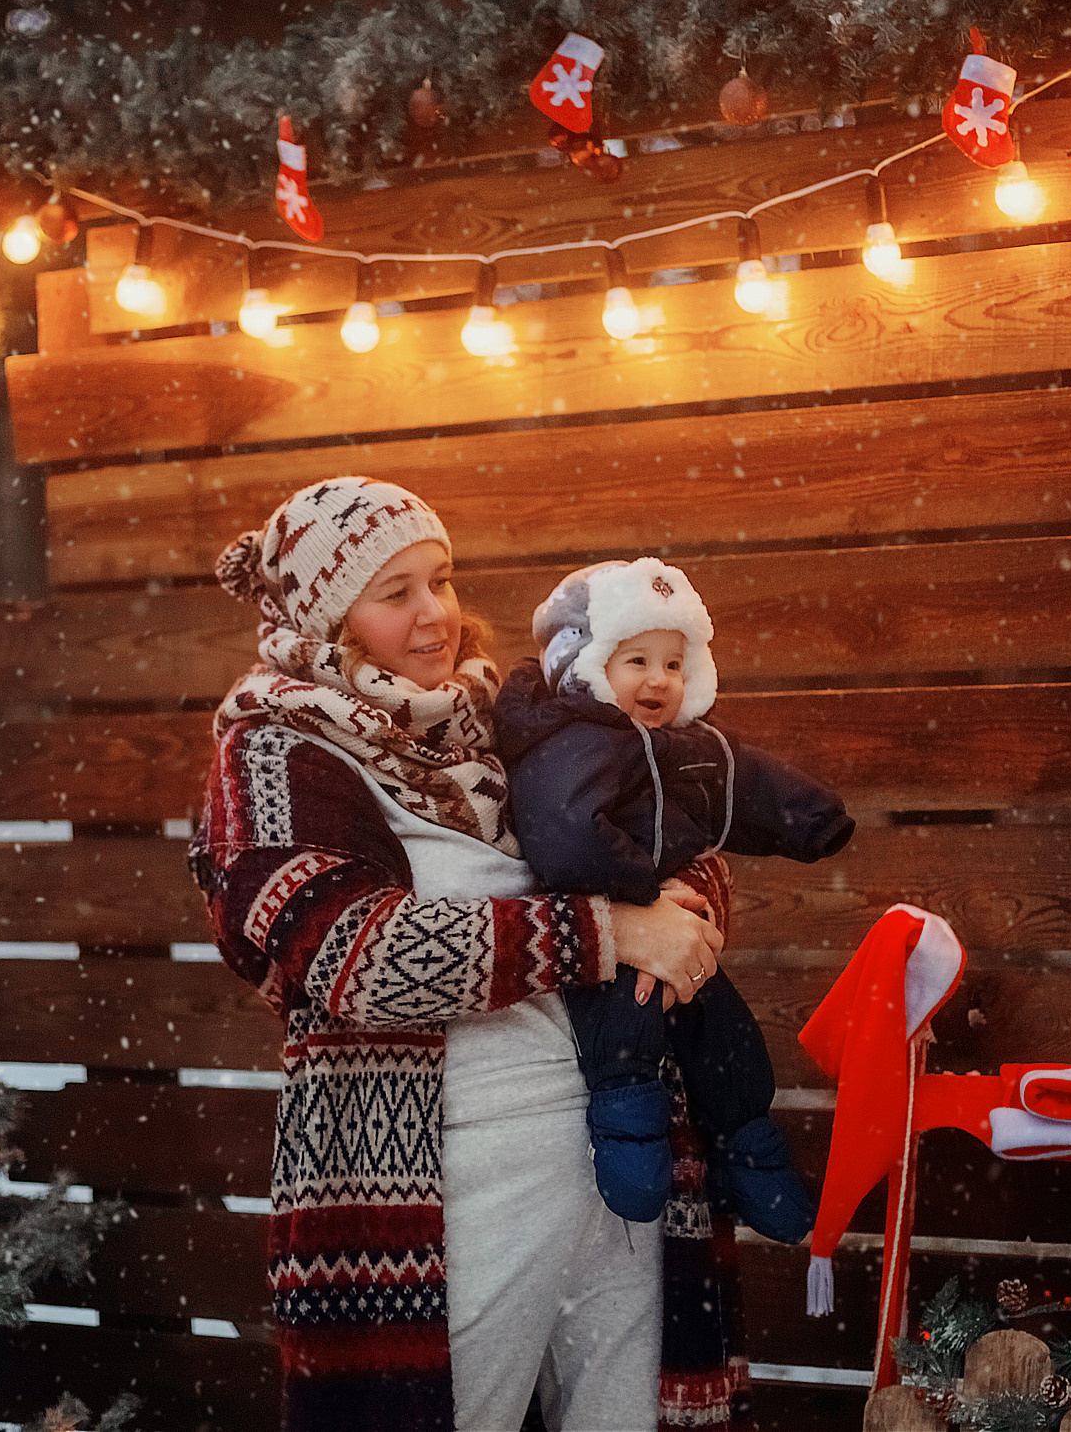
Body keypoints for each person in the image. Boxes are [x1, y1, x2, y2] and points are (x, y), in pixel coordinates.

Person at [189, 478, 745, 1432]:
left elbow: (677, 835)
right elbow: (353, 953)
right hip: (444, 1173)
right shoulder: (274, 753)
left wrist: (687, 908)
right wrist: (611, 933)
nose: (433, 615)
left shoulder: (508, 719)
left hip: (625, 1148)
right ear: (328, 617)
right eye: (393, 592)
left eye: (439, 580)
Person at [493, 558, 855, 1242]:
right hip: (607, 942)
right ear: (586, 665)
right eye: (636, 659)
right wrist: (645, 890)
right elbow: (565, 836)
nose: (658, 678)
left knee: (730, 1036)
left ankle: (751, 1152)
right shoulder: (570, 742)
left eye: (673, 662)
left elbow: (741, 780)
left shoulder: (676, 744)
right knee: (624, 1047)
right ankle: (630, 1158)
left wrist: (814, 817)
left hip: (671, 930)